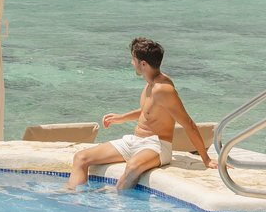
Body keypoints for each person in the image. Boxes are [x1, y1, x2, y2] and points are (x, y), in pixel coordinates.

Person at [68, 37, 213, 192]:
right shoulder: (150, 84)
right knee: (81, 158)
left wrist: (206, 159)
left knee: (132, 167)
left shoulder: (163, 89)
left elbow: (187, 123)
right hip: (135, 141)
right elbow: (149, 111)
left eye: (133, 59)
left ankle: (115, 199)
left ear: (143, 64)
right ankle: (72, 196)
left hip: (157, 146)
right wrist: (121, 117)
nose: (132, 63)